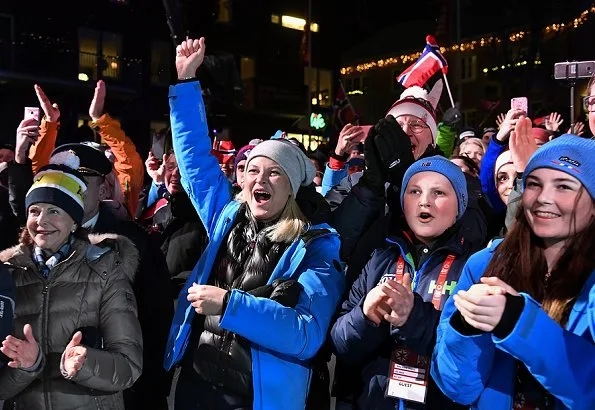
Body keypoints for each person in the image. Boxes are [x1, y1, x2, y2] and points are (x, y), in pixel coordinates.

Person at [164, 37, 345, 410]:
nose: (260, 180)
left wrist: (230, 304)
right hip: (196, 388)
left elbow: (306, 334)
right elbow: (195, 161)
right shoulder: (225, 215)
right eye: (253, 171)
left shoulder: (317, 246)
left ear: (293, 188)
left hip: (258, 399)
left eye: (275, 173)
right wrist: (185, 82)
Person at [431, 134, 595, 409]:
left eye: (564, 186)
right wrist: (466, 329)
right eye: (534, 184)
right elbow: (459, 388)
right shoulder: (485, 265)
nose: (544, 198)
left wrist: (521, 323)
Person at [331, 156, 485, 410]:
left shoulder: (474, 267)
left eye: (439, 192)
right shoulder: (381, 257)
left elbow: (470, 353)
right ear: (403, 204)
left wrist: (412, 318)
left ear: (460, 204)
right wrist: (365, 316)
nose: (424, 200)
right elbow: (341, 344)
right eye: (415, 191)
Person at [0, 152, 142, 409]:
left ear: (74, 221)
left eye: (54, 210)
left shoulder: (105, 269)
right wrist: (28, 367)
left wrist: (84, 365)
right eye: (35, 211)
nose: (41, 221)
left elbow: (129, 367)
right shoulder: (7, 274)